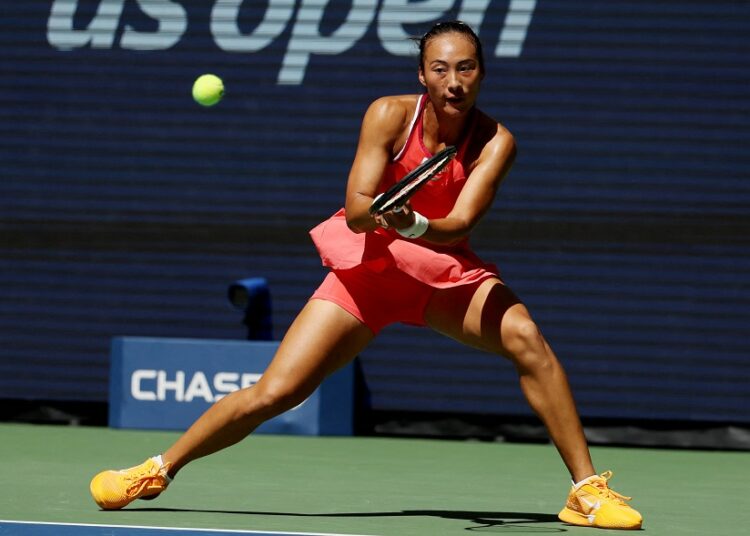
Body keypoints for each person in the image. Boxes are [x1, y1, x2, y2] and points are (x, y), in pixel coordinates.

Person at [90, 21, 642, 530]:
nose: (454, 81)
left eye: (466, 68)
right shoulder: (388, 115)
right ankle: (158, 469)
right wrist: (388, 212)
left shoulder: (497, 142)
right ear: (422, 74)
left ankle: (585, 491)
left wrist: (413, 220)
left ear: (482, 72)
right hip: (367, 274)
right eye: (441, 69)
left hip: (438, 276)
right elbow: (356, 211)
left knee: (527, 340)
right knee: (276, 392)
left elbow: (458, 225)